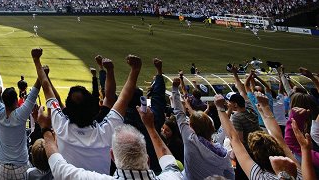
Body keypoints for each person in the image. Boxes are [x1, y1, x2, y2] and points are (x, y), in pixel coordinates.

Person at [34, 50, 141, 173]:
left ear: (67, 108)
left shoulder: (61, 126)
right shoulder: (105, 130)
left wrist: (37, 61)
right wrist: (133, 70)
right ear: (92, 106)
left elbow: (48, 90)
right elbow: (121, 98)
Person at [41, 103, 182, 180]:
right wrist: (150, 127)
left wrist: (46, 131)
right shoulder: (173, 177)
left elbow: (59, 168)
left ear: (113, 157)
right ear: (148, 160)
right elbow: (169, 160)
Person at [0, 51, 40, 179]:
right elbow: (33, 94)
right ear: (16, 101)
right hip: (21, 167)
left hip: (2, 167)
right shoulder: (20, 115)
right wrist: (41, 73)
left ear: (3, 101)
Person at [170, 78, 234, 180]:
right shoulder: (223, 153)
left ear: (192, 127)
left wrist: (174, 89)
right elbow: (230, 176)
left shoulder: (190, 140)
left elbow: (179, 113)